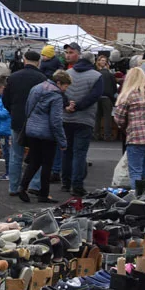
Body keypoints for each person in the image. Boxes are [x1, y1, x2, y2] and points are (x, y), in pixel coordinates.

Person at [18, 70, 72, 204]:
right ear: (59, 83)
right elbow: (56, 121)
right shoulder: (56, 96)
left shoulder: (36, 88)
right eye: (65, 86)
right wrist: (63, 141)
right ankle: (43, 194)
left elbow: (27, 108)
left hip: (32, 129)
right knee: (47, 164)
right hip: (47, 134)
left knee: (34, 161)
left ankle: (22, 187)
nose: (66, 89)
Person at [57, 43, 103, 195]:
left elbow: (59, 93)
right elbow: (94, 96)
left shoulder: (67, 73)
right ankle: (77, 186)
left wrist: (68, 106)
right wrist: (79, 106)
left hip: (66, 118)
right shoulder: (97, 76)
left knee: (66, 152)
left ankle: (65, 182)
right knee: (80, 153)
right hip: (85, 119)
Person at [3, 51, 46, 196]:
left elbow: (5, 99)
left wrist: (13, 110)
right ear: (38, 62)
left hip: (17, 119)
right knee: (37, 155)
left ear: (24, 60)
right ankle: (34, 184)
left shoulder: (13, 77)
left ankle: (13, 187)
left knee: (16, 155)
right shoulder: (43, 78)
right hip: (37, 120)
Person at [113, 67, 145, 189]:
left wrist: (125, 127)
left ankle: (138, 199)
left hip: (137, 137)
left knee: (135, 171)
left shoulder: (129, 95)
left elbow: (118, 117)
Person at [94, 53, 117, 141]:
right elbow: (114, 88)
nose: (103, 62)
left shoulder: (96, 73)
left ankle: (96, 134)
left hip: (97, 97)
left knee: (97, 116)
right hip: (107, 98)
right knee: (107, 117)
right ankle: (107, 135)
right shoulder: (110, 75)